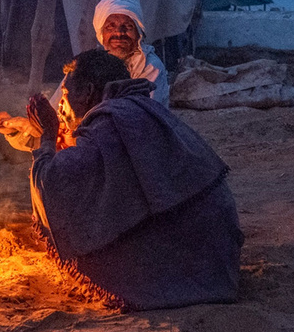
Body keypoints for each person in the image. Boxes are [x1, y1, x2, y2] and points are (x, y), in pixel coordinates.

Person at [25, 48, 241, 311]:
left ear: (90, 91)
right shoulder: (142, 109)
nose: (61, 105)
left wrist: (48, 135)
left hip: (189, 255)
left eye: (67, 96)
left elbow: (54, 185)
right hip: (216, 251)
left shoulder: (112, 121)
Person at [92, 0, 170, 104]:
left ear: (138, 33)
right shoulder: (91, 63)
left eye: (127, 26)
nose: (118, 33)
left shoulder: (150, 67)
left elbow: (139, 114)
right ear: (101, 33)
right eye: (110, 27)